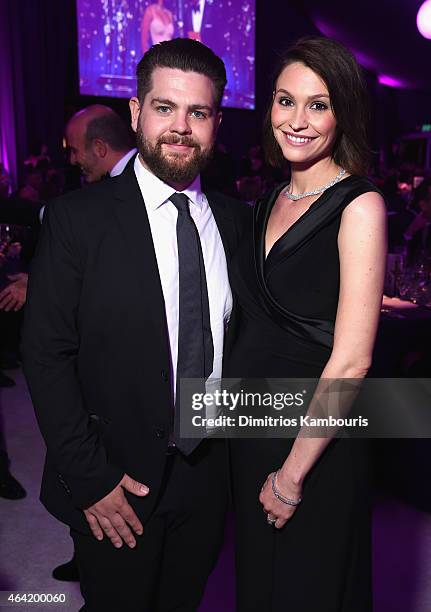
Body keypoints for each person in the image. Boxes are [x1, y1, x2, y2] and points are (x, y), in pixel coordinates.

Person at [22, 38, 248, 611]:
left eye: (197, 112)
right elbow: (47, 358)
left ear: (216, 122)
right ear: (135, 112)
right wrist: (90, 477)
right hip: (115, 476)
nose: (181, 127)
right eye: (165, 108)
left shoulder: (238, 222)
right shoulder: (77, 220)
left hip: (207, 474)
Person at [226, 37, 387, 611]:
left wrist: (292, 476)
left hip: (312, 443)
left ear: (343, 112)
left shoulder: (359, 205)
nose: (296, 121)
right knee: (259, 588)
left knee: (306, 590)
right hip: (251, 429)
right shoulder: (269, 199)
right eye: (284, 100)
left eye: (318, 105)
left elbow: (352, 361)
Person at [65, 104, 137, 184]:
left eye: (74, 151)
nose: (72, 160)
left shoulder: (137, 180)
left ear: (99, 148)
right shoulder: (133, 175)